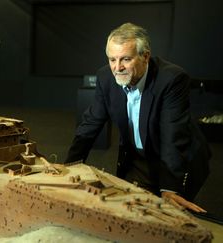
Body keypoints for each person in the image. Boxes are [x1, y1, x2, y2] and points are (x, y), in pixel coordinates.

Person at [65, 22, 211, 213]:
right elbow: (91, 123)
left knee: (167, 214)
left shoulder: (172, 79)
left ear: (145, 56)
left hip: (177, 159)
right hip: (138, 157)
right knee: (131, 209)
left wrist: (168, 188)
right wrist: (68, 166)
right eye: (112, 59)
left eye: (125, 59)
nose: (117, 68)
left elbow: (173, 136)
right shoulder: (106, 77)